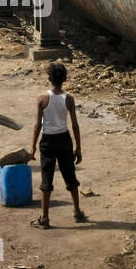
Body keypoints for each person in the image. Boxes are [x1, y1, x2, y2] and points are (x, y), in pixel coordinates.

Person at [29, 62, 85, 228]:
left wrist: (32, 147)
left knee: (47, 179)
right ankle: (77, 211)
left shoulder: (42, 99)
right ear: (64, 79)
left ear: (49, 78)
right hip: (64, 140)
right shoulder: (69, 99)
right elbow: (74, 125)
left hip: (47, 141)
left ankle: (45, 218)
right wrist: (78, 147)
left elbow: (37, 125)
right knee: (70, 176)